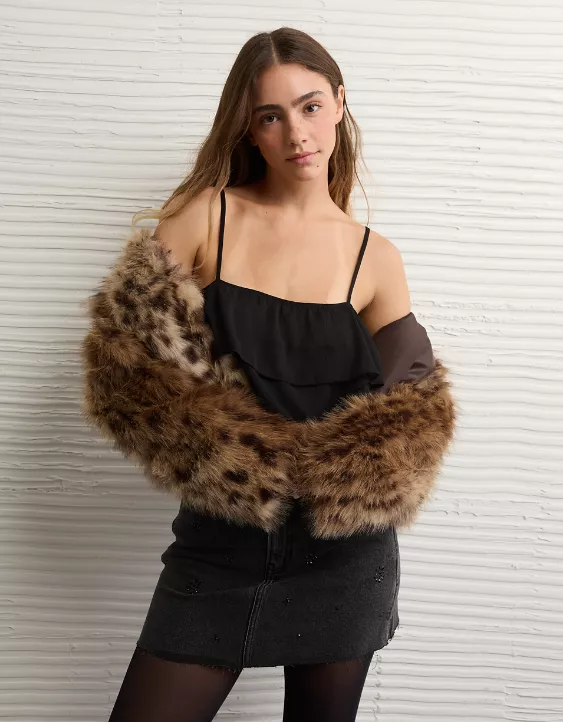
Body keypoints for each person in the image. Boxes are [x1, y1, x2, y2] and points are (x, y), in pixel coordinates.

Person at [82, 26, 456, 722]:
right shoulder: (205, 218)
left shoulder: (375, 258)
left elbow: (410, 416)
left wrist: (334, 477)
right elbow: (128, 369)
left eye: (310, 106)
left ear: (339, 103)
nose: (297, 133)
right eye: (270, 116)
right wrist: (240, 466)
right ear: (249, 130)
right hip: (219, 544)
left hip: (341, 556)